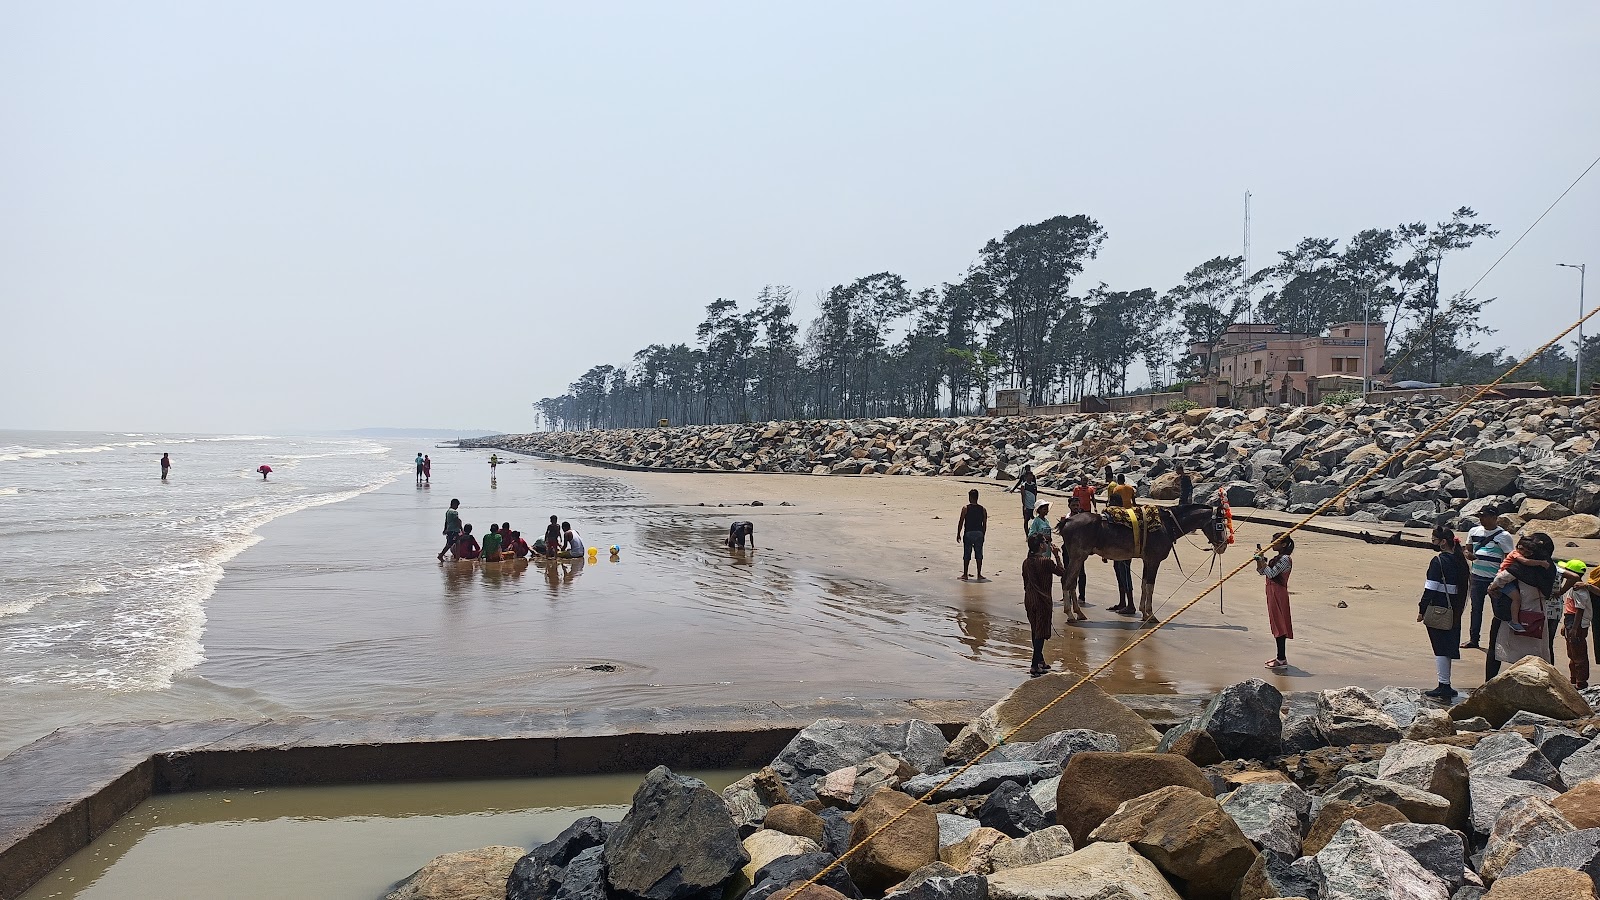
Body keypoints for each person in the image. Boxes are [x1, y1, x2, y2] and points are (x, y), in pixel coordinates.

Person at [1486, 531, 1557, 677]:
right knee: (1540, 654)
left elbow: (1501, 578)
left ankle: (1488, 683)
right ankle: (1545, 683)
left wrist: (1491, 587)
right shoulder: (1549, 567)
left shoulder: (1520, 567)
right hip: (1538, 615)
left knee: (1495, 649)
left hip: (1512, 615)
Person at [1417, 525, 1469, 700]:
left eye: (1434, 540)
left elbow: (1430, 588)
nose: (1432, 543)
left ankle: (1443, 685)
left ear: (1443, 542)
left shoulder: (1438, 561)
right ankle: (1446, 684)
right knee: (1448, 646)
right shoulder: (1460, 561)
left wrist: (1421, 609)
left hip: (1439, 607)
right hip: (1455, 608)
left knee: (1439, 647)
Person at [1463, 507, 1515, 649]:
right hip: (1476, 577)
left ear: (1494, 518)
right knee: (1476, 609)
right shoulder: (1474, 531)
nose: (1481, 519)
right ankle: (1474, 639)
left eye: (1484, 516)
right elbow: (1467, 549)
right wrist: (1468, 554)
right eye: (1480, 516)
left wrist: (1501, 577)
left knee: (1498, 611)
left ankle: (1499, 641)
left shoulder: (1504, 536)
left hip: (1495, 580)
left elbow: (1509, 558)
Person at [1021, 534, 1067, 676]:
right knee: (1040, 633)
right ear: (1041, 546)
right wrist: (1057, 556)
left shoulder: (1026, 562)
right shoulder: (1045, 562)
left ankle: (1040, 660)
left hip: (1029, 599)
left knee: (1035, 630)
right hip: (1042, 600)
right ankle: (1035, 665)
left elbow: (1025, 583)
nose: (1047, 544)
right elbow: (1062, 572)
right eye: (1045, 542)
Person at [1255, 532, 1295, 670]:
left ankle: (1282, 659)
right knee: (1275, 623)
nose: (1272, 543)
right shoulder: (1277, 558)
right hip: (1272, 591)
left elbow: (1271, 573)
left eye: (1275, 541)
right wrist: (1259, 560)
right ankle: (1280, 657)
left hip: (1278, 593)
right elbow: (1262, 572)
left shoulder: (1285, 559)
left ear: (1283, 544)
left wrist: (1262, 560)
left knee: (1280, 624)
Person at [1563, 563, 1598, 688]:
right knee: (1572, 653)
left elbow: (1579, 610)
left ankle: (1581, 682)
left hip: (1576, 623)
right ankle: (1574, 679)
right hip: (1570, 621)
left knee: (1579, 655)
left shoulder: (1580, 590)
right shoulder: (1573, 587)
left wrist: (1574, 628)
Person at [957, 490, 988, 580]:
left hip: (969, 533)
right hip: (979, 533)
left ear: (970, 497)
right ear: (977, 497)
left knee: (967, 554)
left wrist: (958, 533)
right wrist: (983, 534)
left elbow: (961, 522)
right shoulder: (983, 509)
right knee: (979, 554)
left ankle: (965, 574)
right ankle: (979, 574)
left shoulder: (965, 508)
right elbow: (985, 523)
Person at [1008, 466, 1038, 532]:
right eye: (1029, 476)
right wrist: (1024, 505)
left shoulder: (1033, 483)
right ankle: (1027, 534)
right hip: (1027, 505)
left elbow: (1035, 493)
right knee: (1026, 520)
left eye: (1031, 476)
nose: (1031, 477)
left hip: (1033, 505)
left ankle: (1032, 531)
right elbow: (1022, 495)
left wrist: (1036, 504)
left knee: (1035, 519)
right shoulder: (1023, 483)